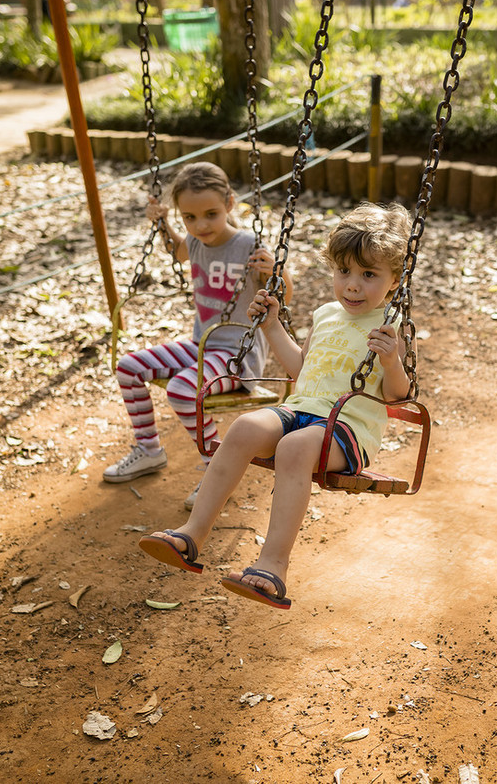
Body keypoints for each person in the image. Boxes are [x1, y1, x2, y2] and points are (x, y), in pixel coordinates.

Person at [138, 202, 413, 609]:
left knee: (294, 448)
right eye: (344, 272)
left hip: (346, 430)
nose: (353, 285)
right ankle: (191, 536)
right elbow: (301, 369)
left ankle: (272, 566)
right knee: (246, 426)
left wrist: (391, 362)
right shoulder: (325, 315)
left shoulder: (390, 325)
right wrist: (271, 325)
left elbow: (397, 396)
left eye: (368, 275)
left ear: (394, 280)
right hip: (300, 411)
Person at [103, 162, 288, 509]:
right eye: (189, 217)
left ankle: (217, 470)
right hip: (201, 345)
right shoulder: (195, 239)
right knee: (129, 367)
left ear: (230, 204)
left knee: (182, 389)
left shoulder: (249, 244)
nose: (200, 225)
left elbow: (282, 298)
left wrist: (279, 274)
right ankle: (148, 450)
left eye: (210, 214)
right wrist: (163, 224)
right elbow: (177, 250)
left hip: (236, 355)